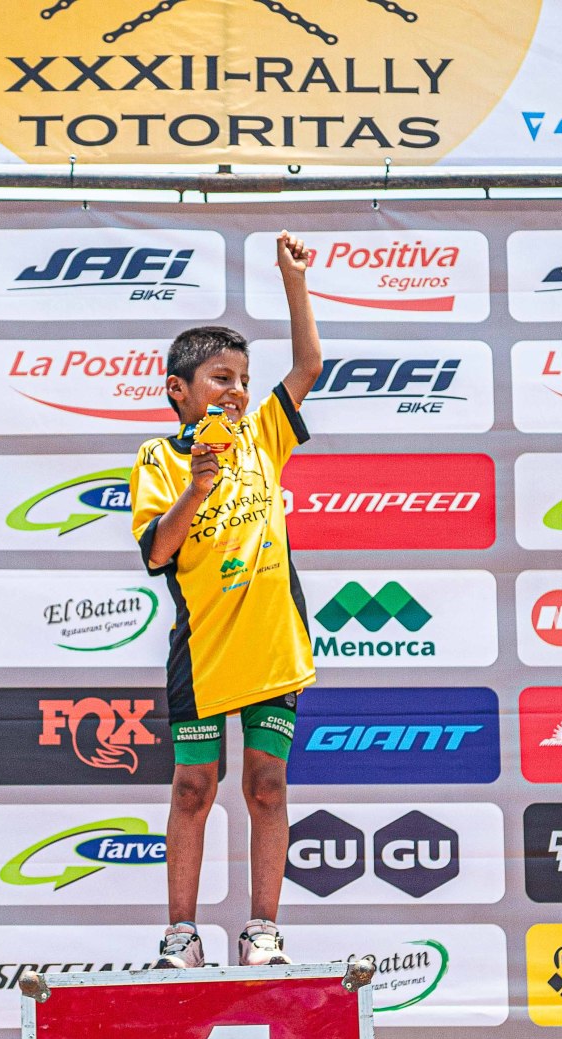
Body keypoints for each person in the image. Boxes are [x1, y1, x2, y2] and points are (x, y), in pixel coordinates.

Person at [130, 231, 323, 969]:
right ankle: (181, 935)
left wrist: (293, 281)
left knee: (267, 786)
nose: (237, 390)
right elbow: (158, 551)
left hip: (272, 641)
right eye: (220, 377)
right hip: (203, 650)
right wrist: (198, 486)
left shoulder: (262, 435)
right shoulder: (158, 458)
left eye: (243, 377)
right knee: (191, 790)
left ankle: (262, 932)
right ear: (178, 390)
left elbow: (307, 366)